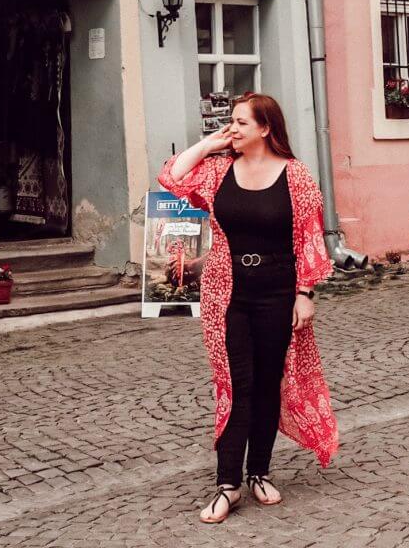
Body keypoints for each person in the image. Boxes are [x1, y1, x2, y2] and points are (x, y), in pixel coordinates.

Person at [158, 93, 338, 524]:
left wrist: (305, 293)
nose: (233, 129)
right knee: (236, 385)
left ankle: (259, 472)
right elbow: (172, 178)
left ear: (266, 128)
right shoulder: (219, 171)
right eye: (230, 122)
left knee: (266, 384)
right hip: (227, 293)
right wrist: (208, 145)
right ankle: (227, 485)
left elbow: (309, 239)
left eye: (240, 123)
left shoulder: (295, 176)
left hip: (277, 292)